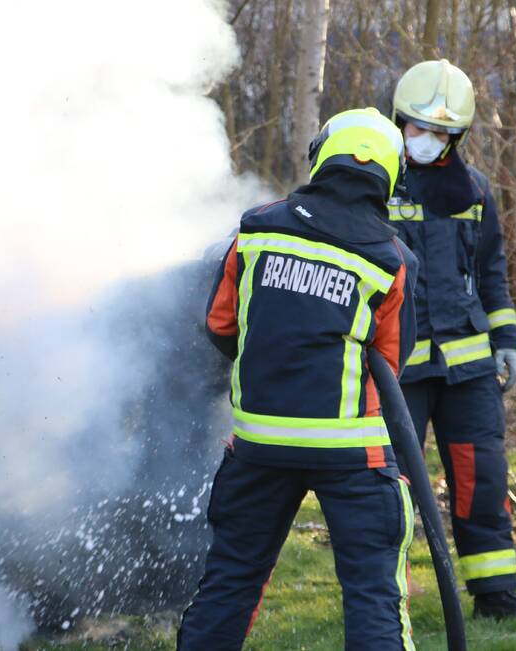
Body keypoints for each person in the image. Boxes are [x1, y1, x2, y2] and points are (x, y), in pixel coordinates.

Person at [178, 108, 421, 651]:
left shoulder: (256, 228)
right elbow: (391, 364)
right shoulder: (391, 258)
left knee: (231, 580)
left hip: (258, 446)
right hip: (352, 454)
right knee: (373, 594)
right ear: (390, 177)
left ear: (321, 157)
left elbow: (220, 326)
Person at [387, 59, 516, 624]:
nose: (427, 141)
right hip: (397, 371)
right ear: (398, 122)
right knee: (391, 489)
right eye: (417, 128)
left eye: (439, 133)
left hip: (468, 367)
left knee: (483, 479)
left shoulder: (474, 189)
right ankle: (386, 603)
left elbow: (490, 271)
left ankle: (497, 597)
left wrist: (507, 338)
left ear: (456, 137)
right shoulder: (375, 183)